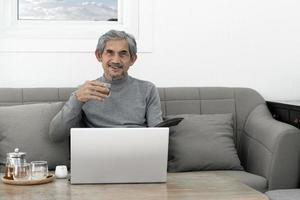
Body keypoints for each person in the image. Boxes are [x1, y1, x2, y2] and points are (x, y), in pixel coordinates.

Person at [49, 30, 163, 142]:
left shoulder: (148, 89)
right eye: (110, 52)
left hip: (138, 152)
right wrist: (77, 99)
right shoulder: (85, 91)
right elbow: (56, 136)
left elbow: (158, 137)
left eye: (123, 54)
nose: (116, 60)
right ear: (99, 56)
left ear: (132, 59)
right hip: (97, 154)